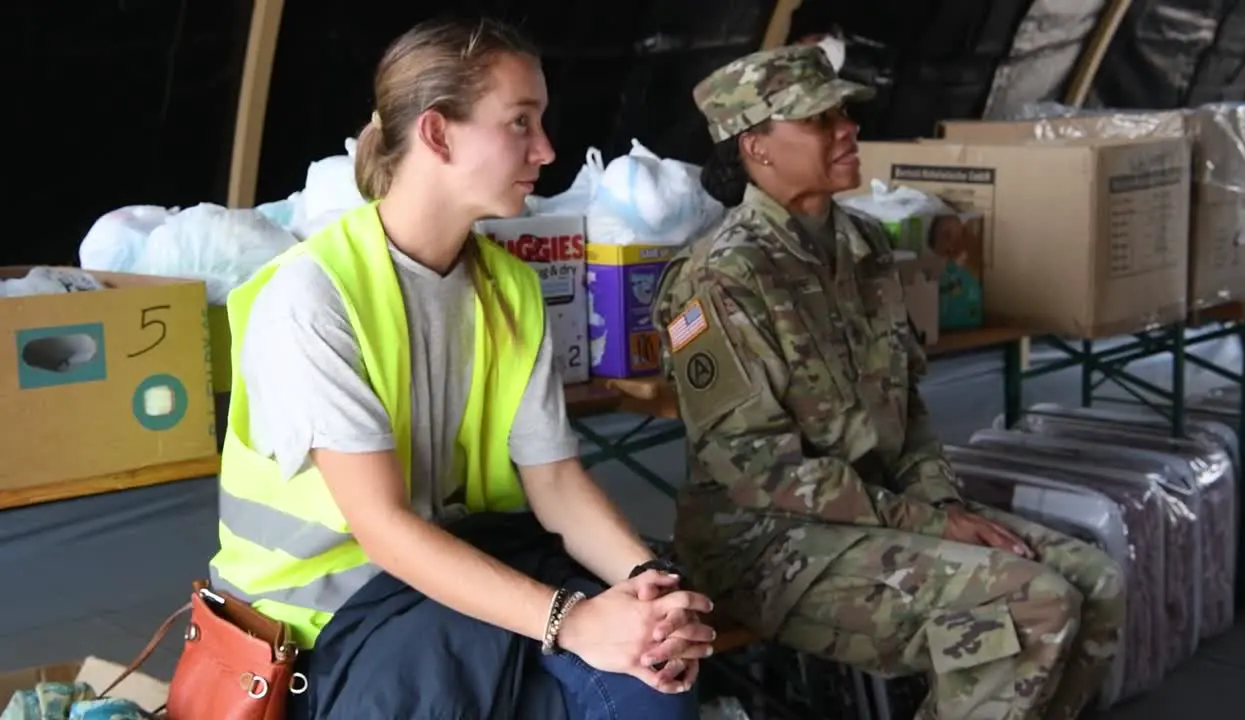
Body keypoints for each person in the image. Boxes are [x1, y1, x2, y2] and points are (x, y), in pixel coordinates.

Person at [207, 18, 714, 720]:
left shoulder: (511, 288)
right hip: (325, 620)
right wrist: (574, 620)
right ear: (439, 135)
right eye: (520, 123)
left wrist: (646, 585)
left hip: (462, 569)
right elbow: (382, 527)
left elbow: (558, 482)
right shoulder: (313, 296)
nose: (546, 149)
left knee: (652, 688)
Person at [652, 44, 1126, 720]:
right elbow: (758, 472)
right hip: (763, 544)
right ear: (755, 146)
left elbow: (907, 412)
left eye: (844, 113)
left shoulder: (864, 247)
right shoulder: (720, 278)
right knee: (1029, 601)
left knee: (1096, 582)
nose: (847, 129)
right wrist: (931, 521)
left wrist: (938, 505)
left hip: (874, 516)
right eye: (819, 119)